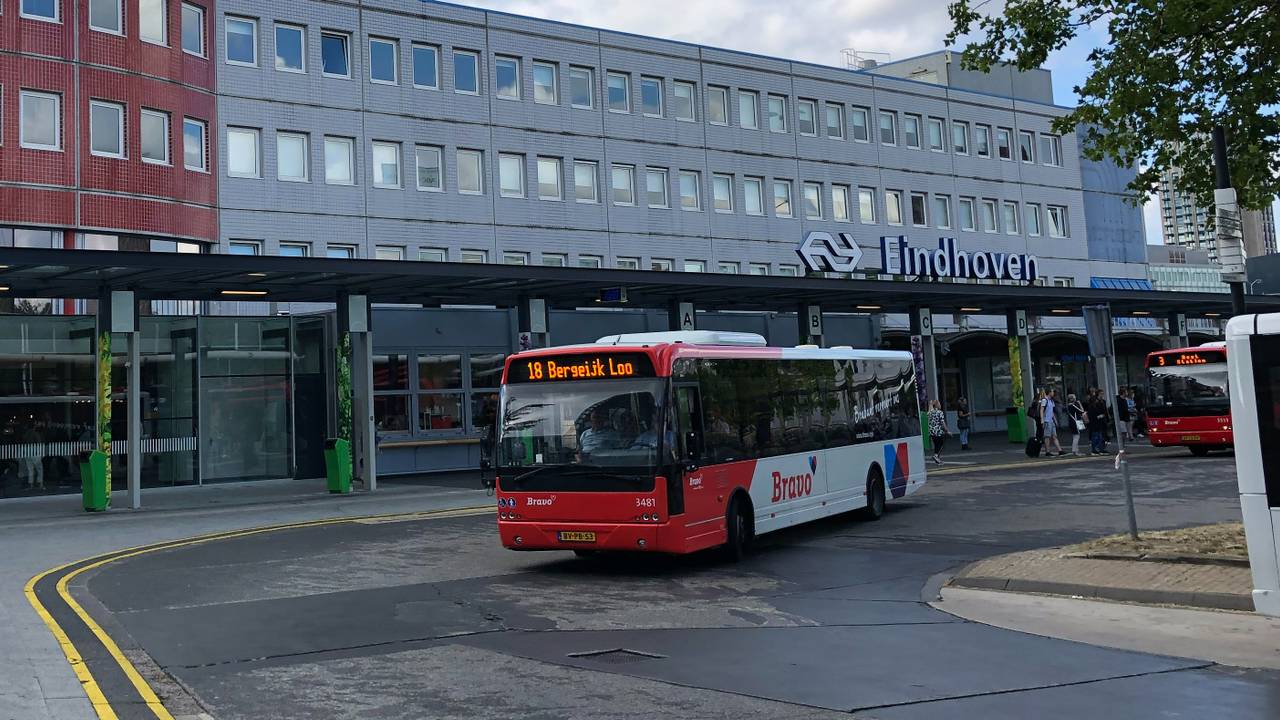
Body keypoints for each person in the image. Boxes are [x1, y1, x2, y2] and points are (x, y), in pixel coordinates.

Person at [1042, 388, 1064, 456]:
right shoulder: (1044, 400)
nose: (1053, 393)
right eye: (1052, 392)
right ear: (1049, 392)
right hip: (1046, 421)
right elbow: (1041, 410)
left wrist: (1055, 420)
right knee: (1047, 436)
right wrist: (1042, 420)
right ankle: (1047, 452)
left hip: (1051, 421)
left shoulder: (1051, 401)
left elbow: (1051, 412)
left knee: (1054, 436)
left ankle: (1060, 450)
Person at [1087, 389, 1109, 455]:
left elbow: (1105, 411)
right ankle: (1095, 449)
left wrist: (1105, 417)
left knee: (1101, 436)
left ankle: (1100, 449)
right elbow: (1091, 413)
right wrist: (1098, 416)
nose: (1102, 395)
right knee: (1096, 436)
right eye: (1101, 394)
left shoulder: (1102, 402)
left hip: (1100, 421)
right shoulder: (1093, 404)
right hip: (1095, 422)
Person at [927, 400, 949, 465]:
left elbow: (929, 410)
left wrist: (930, 404)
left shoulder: (930, 412)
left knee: (936, 445)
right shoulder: (940, 412)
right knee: (941, 444)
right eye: (939, 404)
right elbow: (942, 422)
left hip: (932, 432)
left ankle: (937, 460)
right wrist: (947, 430)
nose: (940, 405)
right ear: (936, 405)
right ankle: (936, 456)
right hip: (938, 431)